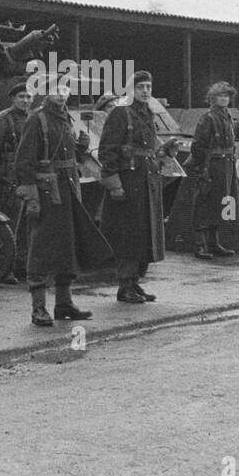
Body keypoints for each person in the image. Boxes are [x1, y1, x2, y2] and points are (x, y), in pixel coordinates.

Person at [14, 76, 112, 326]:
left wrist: (80, 148)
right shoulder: (38, 119)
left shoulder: (65, 117)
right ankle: (38, 308)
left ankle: (64, 303)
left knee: (67, 247)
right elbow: (24, 161)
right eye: (56, 89)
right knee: (41, 249)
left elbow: (68, 157)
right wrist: (32, 196)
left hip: (68, 190)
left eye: (65, 89)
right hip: (47, 193)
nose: (61, 94)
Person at [97, 70, 165, 304]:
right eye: (140, 87)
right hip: (128, 183)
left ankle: (135, 282)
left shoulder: (147, 113)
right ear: (131, 90)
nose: (145, 91)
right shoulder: (120, 113)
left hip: (146, 183)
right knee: (128, 236)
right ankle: (124, 286)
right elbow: (107, 150)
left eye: (148, 86)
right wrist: (115, 185)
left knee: (144, 235)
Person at [0, 81, 32, 284]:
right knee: (8, 225)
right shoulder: (5, 119)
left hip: (25, 179)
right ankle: (4, 267)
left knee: (26, 225)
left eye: (29, 97)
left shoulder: (32, 118)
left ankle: (20, 264)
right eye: (22, 97)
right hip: (8, 180)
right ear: (13, 99)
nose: (26, 100)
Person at [187, 81, 239, 259]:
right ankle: (200, 245)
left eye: (227, 96)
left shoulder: (228, 116)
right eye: (221, 96)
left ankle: (214, 242)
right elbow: (198, 146)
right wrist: (204, 167)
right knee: (204, 204)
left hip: (226, 165)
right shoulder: (208, 118)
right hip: (212, 166)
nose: (224, 99)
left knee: (223, 203)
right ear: (213, 98)